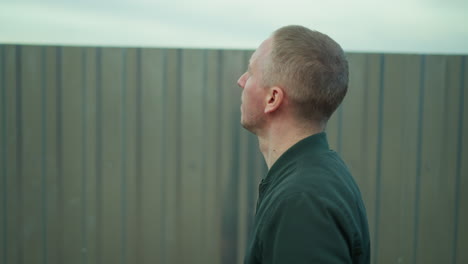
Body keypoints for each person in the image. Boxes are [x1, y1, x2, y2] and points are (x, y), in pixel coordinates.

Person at [237, 25, 370, 264]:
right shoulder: (317, 177)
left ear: (273, 98)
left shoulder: (302, 201)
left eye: (250, 72)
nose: (241, 81)